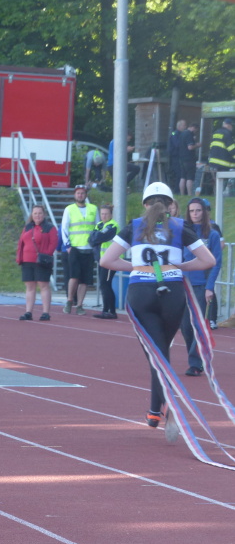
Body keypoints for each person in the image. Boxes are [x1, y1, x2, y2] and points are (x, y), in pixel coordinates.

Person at [100, 182, 214, 428]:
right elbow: (208, 260)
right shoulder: (180, 226)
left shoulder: (134, 226)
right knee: (162, 350)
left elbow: (106, 260)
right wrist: (178, 267)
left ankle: (164, 405)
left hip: (141, 292)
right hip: (172, 292)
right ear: (171, 205)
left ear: (145, 205)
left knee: (157, 353)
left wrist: (137, 267)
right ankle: (155, 410)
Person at [178, 197, 222, 377]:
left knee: (198, 325)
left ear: (204, 212)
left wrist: (209, 287)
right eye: (191, 211)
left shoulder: (212, 234)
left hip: (201, 286)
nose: (195, 214)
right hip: (182, 284)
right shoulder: (183, 232)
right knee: (185, 326)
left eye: (198, 210)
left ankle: (196, 363)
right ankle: (197, 357)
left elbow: (216, 263)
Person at [15, 205, 58, 320]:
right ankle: (28, 312)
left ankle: (45, 313)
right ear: (32, 215)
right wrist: (19, 257)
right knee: (30, 286)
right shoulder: (27, 227)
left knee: (43, 285)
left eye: (40, 213)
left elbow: (53, 243)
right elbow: (21, 243)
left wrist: (45, 255)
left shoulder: (49, 228)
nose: (37, 215)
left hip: (41, 262)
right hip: (27, 260)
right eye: (35, 213)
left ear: (44, 214)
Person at [61, 185, 99, 315]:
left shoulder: (93, 208)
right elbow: (64, 228)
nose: (80, 195)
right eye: (78, 193)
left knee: (85, 280)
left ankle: (80, 305)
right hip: (75, 248)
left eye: (82, 193)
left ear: (86, 195)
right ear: (75, 195)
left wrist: (95, 244)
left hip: (89, 249)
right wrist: (68, 246)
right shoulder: (69, 209)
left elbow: (97, 227)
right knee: (74, 276)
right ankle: (69, 300)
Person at [89, 204, 119, 319]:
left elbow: (98, 237)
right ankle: (107, 310)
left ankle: (110, 311)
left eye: (106, 214)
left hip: (110, 260)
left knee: (105, 284)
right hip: (102, 260)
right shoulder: (99, 225)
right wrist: (95, 237)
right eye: (102, 214)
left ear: (111, 214)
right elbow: (91, 239)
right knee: (104, 285)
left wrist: (95, 237)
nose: (104, 216)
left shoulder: (112, 225)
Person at [208, 118, 235, 191]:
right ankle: (221, 195)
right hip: (223, 164)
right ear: (229, 126)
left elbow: (211, 146)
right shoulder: (228, 134)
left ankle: (216, 196)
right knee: (223, 183)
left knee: (217, 182)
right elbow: (232, 149)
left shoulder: (216, 133)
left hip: (213, 163)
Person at [180, 122, 200, 196]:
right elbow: (190, 147)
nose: (195, 132)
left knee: (182, 177)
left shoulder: (182, 133)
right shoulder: (189, 134)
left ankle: (182, 194)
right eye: (196, 130)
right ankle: (189, 194)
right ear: (193, 128)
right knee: (190, 177)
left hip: (182, 158)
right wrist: (197, 145)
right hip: (189, 159)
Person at [168, 120, 186, 193]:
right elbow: (177, 144)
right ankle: (176, 190)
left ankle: (178, 190)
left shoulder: (181, 134)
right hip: (175, 157)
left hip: (180, 157)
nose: (185, 127)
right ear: (179, 126)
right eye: (184, 125)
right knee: (179, 173)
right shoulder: (174, 134)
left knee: (181, 174)